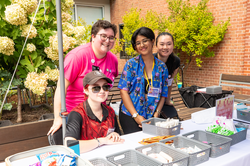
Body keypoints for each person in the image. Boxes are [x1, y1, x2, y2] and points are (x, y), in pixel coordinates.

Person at [48, 20, 119, 135]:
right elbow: (61, 88)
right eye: (103, 36)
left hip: (99, 119)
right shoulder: (77, 56)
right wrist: (58, 117)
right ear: (93, 36)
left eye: (111, 37)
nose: (107, 40)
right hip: (75, 118)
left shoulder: (113, 60)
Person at [118, 27, 169, 134]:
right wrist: (136, 116)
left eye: (145, 41)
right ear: (135, 47)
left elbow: (164, 94)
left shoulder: (161, 67)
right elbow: (123, 91)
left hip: (152, 114)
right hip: (130, 114)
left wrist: (157, 113)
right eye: (138, 43)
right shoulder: (131, 64)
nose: (142, 45)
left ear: (152, 41)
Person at [65, 71, 124, 153]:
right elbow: (70, 146)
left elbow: (118, 135)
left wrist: (115, 135)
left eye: (105, 87)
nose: (102, 91)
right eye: (96, 88)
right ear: (86, 90)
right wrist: (101, 141)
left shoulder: (110, 111)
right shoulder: (77, 113)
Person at [154, 32, 181, 119]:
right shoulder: (150, 61)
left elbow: (169, 82)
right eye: (162, 44)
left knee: (174, 118)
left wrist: (168, 100)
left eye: (169, 44)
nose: (165, 47)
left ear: (173, 45)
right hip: (149, 99)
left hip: (163, 98)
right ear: (156, 46)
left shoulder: (175, 61)